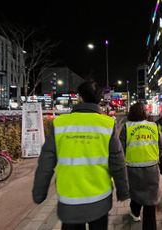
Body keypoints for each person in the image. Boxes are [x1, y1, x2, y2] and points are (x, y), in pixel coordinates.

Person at [32, 79, 129, 230]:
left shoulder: (60, 124)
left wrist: (39, 193)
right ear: (99, 100)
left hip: (69, 201)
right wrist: (123, 191)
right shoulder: (107, 124)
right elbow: (117, 162)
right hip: (100, 201)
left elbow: (45, 163)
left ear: (80, 97)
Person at [119, 102, 162, 230]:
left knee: (135, 193)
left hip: (132, 170)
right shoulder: (154, 126)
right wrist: (154, 157)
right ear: (145, 112)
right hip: (152, 169)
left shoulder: (126, 127)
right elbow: (161, 147)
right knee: (150, 203)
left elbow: (121, 150)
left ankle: (135, 213)